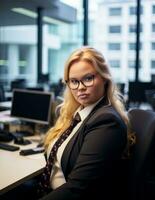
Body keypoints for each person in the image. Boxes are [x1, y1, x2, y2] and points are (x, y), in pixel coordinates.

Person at [39, 46, 132, 200]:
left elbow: (76, 189)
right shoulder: (78, 113)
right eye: (74, 81)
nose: (80, 88)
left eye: (88, 78)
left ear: (104, 78)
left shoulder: (106, 122)